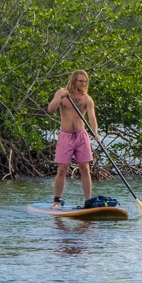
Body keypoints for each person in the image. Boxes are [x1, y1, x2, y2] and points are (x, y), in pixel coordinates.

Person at [47, 69, 97, 208]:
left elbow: (92, 117)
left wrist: (95, 132)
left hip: (81, 136)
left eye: (85, 81)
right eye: (80, 81)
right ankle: (57, 200)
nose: (83, 83)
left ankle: (88, 200)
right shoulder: (62, 93)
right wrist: (60, 97)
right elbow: (50, 109)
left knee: (85, 168)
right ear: (74, 80)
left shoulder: (86, 98)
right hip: (65, 136)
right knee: (62, 169)